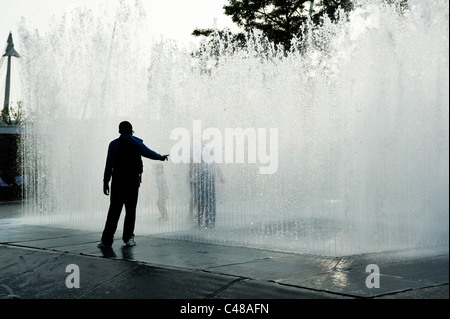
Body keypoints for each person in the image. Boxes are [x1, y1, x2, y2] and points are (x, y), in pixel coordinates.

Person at [98, 121, 168, 248]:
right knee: (130, 211)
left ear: (119, 131)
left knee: (114, 211)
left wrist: (105, 181)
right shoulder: (137, 143)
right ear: (131, 131)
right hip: (133, 183)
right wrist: (161, 157)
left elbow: (109, 164)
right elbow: (148, 153)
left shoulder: (114, 144)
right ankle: (129, 239)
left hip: (118, 183)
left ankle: (106, 241)